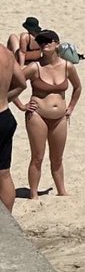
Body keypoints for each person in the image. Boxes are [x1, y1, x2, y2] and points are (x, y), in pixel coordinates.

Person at [13, 30, 82, 198]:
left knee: (57, 158)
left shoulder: (67, 66)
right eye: (41, 41)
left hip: (60, 118)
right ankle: (34, 194)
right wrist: (22, 105)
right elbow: (10, 84)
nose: (45, 43)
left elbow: (78, 87)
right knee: (37, 156)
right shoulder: (34, 67)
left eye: (48, 40)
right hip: (37, 116)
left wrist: (71, 107)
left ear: (57, 43)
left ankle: (62, 192)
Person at [0, 45, 27, 212]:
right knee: (3, 173)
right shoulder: (5, 53)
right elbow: (22, 83)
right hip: (4, 116)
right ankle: (6, 223)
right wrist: (5, 98)